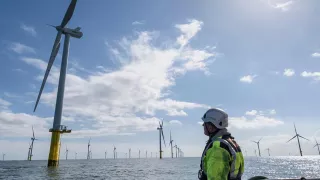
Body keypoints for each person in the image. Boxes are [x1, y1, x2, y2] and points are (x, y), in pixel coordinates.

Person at [198, 108, 244, 180]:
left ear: (211, 126)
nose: (203, 125)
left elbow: (216, 177)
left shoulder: (217, 148)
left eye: (205, 123)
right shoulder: (231, 142)